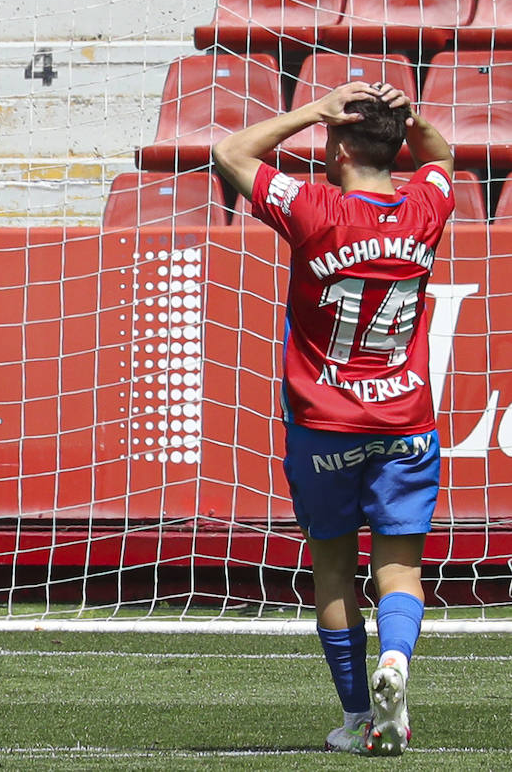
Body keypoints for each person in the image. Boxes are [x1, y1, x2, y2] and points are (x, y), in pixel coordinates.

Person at [212, 80, 455, 756]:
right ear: (395, 145)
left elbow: (230, 151)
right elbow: (444, 152)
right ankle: (397, 662)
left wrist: (312, 108)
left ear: (341, 148)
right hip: (406, 421)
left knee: (333, 573)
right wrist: (414, 118)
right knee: (399, 572)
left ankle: (358, 718)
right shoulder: (425, 206)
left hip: (325, 424)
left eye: (328, 137)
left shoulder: (315, 208)